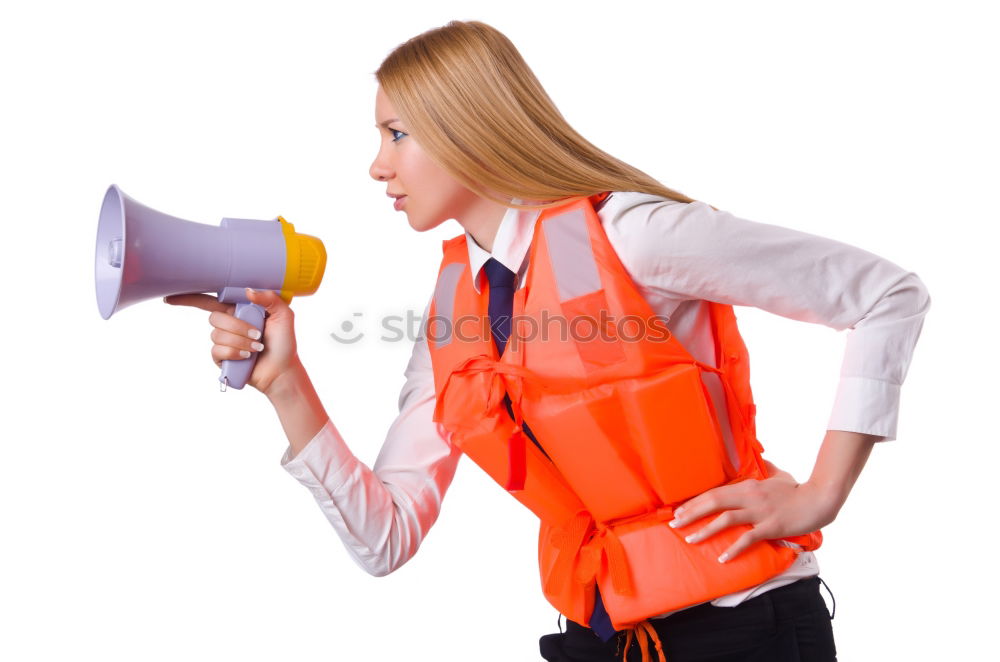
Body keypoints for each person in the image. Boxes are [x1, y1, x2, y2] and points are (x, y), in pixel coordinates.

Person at [165, 20, 930, 662]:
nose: (377, 165)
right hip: (596, 637)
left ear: (472, 126)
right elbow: (386, 537)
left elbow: (888, 296)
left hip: (740, 629)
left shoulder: (634, 236)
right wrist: (287, 385)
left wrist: (821, 494)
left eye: (398, 133)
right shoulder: (453, 304)